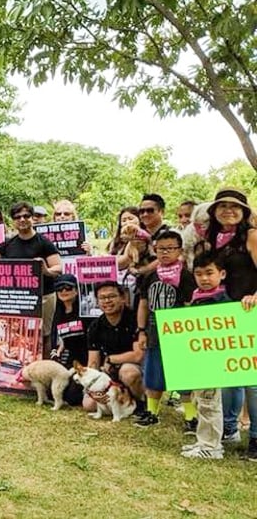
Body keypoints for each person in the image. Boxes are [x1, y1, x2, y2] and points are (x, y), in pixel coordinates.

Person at [202, 188, 257, 458]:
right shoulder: (213, 238)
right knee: (230, 376)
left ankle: (256, 437)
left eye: (234, 206)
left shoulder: (251, 236)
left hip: (250, 311)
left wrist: (255, 297)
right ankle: (229, 427)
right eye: (222, 206)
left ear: (245, 211)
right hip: (224, 313)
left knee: (252, 379)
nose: (228, 210)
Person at [133, 230, 196, 429]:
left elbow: (189, 305)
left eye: (170, 248)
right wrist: (141, 331)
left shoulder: (186, 276)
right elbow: (143, 304)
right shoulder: (150, 275)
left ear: (180, 250)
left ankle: (190, 416)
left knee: (184, 373)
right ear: (155, 250)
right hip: (154, 328)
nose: (165, 253)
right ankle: (152, 412)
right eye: (161, 249)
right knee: (154, 372)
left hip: (178, 329)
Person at [0, 202, 63, 355]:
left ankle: (44, 368)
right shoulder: (8, 244)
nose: (22, 219)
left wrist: (45, 270)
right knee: (20, 334)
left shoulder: (44, 243)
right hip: (18, 298)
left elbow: (58, 268)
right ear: (13, 220)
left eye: (26, 216)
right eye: (17, 217)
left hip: (44, 296)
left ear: (32, 218)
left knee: (44, 335)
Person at [180, 252, 231, 459]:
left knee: (210, 402)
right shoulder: (197, 297)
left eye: (210, 273)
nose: (204, 279)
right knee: (200, 401)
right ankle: (204, 441)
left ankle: (211, 447)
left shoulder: (222, 301)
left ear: (222, 274)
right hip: (198, 359)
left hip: (213, 361)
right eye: (199, 274)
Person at [84, 281, 144, 414]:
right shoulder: (95, 326)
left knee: (129, 373)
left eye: (111, 296)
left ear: (123, 298)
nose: (107, 301)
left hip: (135, 367)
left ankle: (141, 403)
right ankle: (122, 400)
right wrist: (91, 385)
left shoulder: (135, 319)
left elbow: (138, 355)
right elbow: (93, 362)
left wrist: (111, 359)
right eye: (102, 298)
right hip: (109, 373)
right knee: (89, 405)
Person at [48, 274, 92, 368]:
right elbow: (63, 340)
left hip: (87, 360)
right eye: (59, 288)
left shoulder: (86, 313)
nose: (63, 291)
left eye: (68, 287)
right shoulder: (58, 315)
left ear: (76, 291)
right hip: (68, 361)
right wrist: (57, 352)